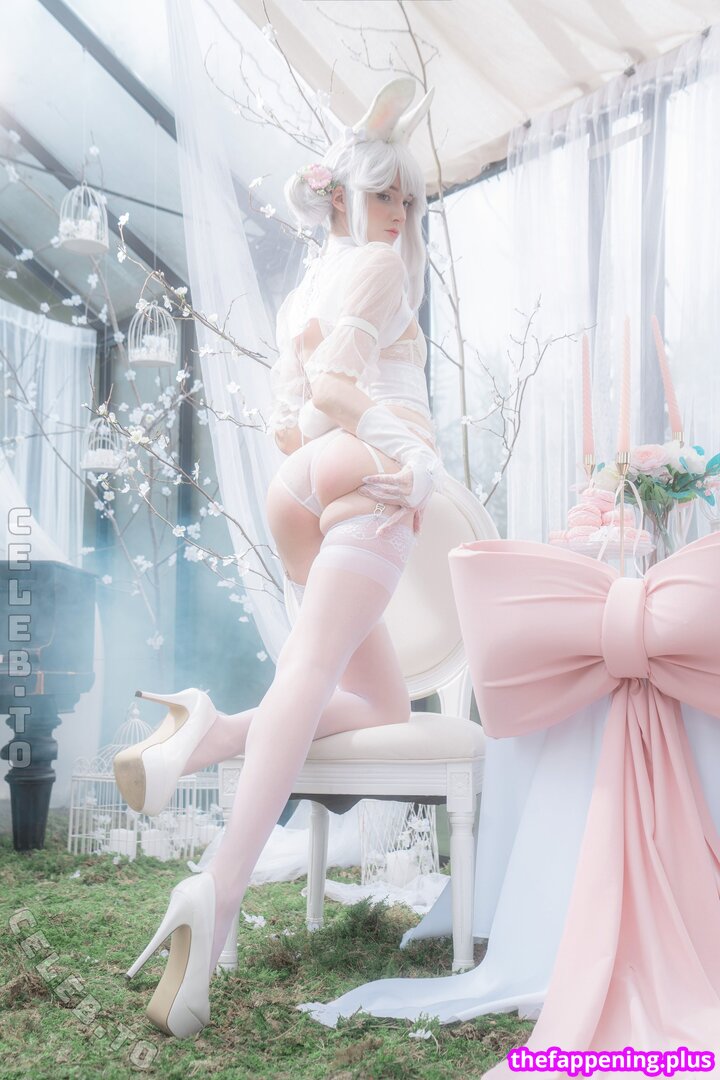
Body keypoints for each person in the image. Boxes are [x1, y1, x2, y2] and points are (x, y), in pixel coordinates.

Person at [113, 76, 446, 1038]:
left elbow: (291, 424)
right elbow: (339, 388)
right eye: (384, 194)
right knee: (307, 673)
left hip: (301, 487)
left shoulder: (308, 288)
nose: (399, 214)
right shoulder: (377, 271)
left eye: (409, 199)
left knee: (380, 703)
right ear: (341, 199)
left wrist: (340, 465)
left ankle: (209, 733)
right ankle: (219, 890)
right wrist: (415, 457)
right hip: (370, 470)